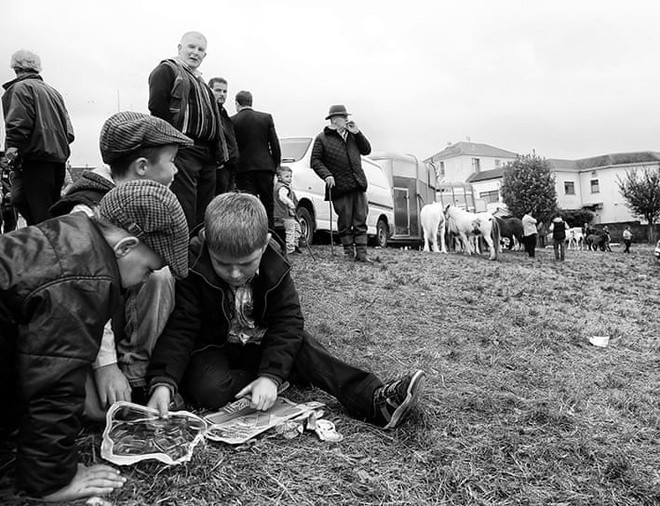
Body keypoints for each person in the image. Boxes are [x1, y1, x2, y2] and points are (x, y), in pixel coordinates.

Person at [146, 193, 424, 433]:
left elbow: (288, 322)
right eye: (223, 264)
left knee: (303, 346)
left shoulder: (275, 263)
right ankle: (280, 373)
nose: (234, 273)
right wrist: (163, 383)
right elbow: (180, 329)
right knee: (210, 391)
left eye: (245, 264)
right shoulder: (193, 266)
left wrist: (269, 377)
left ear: (265, 244)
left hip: (262, 342)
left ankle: (374, 398)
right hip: (213, 348)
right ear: (207, 242)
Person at [0, 180, 189, 501]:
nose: (145, 280)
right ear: (125, 247)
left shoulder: (70, 232)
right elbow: (53, 384)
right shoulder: (85, 280)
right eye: (148, 270)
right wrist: (53, 481)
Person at [48, 111, 193, 417]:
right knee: (93, 412)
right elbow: (83, 292)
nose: (176, 171)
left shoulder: (149, 201)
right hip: (78, 339)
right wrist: (106, 365)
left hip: (115, 320)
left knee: (161, 273)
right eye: (171, 161)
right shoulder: (84, 212)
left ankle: (138, 374)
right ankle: (122, 377)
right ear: (142, 167)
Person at [148, 31, 228, 229]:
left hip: (207, 154)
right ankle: (184, 256)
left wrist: (218, 154)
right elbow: (157, 109)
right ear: (179, 48)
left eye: (200, 50)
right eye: (191, 47)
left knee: (206, 212)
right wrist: (169, 146)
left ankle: (199, 255)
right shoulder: (167, 70)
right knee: (186, 208)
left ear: (205, 55)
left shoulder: (203, 83)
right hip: (183, 150)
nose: (195, 53)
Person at [1, 49, 74, 225]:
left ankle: (47, 248)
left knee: (40, 215)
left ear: (16, 68)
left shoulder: (20, 88)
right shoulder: (54, 93)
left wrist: (11, 154)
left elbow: (17, 126)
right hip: (57, 159)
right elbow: (69, 133)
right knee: (45, 210)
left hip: (35, 158)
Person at [310, 105, 373, 263]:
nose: (347, 119)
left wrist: (358, 133)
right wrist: (327, 175)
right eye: (343, 117)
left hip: (358, 183)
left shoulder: (353, 135)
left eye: (346, 116)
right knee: (345, 221)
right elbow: (315, 161)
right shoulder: (322, 138)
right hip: (339, 187)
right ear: (334, 119)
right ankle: (348, 253)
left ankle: (362, 254)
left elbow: (367, 150)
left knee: (361, 219)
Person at [231, 90, 281, 229]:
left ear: (237, 103)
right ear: (251, 102)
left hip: (243, 168)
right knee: (267, 204)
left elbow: (232, 146)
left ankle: (252, 235)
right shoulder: (266, 118)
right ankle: (271, 236)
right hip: (265, 166)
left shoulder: (232, 120)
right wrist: (276, 164)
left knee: (249, 205)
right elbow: (275, 144)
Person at [209, 77, 239, 195]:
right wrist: (219, 162)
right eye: (218, 90)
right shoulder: (210, 110)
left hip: (230, 165)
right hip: (220, 166)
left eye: (225, 91)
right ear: (209, 90)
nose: (222, 94)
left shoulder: (223, 112)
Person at [274, 165, 302, 255]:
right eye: (286, 176)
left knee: (297, 227)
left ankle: (295, 244)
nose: (289, 179)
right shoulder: (282, 188)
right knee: (290, 231)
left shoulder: (278, 186)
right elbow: (283, 197)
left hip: (280, 214)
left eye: (290, 176)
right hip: (284, 214)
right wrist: (290, 204)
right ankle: (290, 249)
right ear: (279, 177)